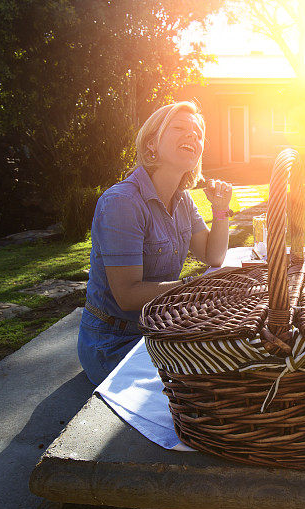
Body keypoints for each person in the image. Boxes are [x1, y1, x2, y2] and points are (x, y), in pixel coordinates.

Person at [78, 101, 233, 385]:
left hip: (158, 329)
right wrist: (197, 287)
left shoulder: (183, 200)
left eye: (198, 133)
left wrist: (220, 209)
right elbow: (126, 296)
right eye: (179, 128)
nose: (193, 136)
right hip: (115, 342)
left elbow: (213, 256)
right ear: (152, 144)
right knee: (201, 387)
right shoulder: (122, 202)